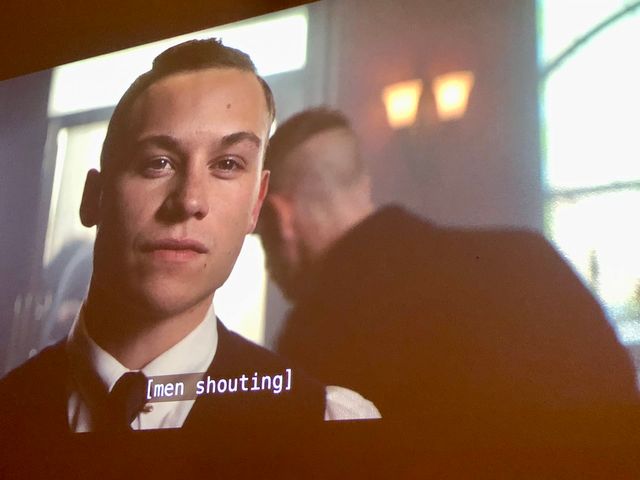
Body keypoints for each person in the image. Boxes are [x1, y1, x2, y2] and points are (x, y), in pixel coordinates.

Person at [0, 41, 379, 440]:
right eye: (157, 162)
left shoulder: (326, 422)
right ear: (94, 197)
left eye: (227, 164)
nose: (189, 201)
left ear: (256, 205)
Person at [256, 107, 639, 426]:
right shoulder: (529, 256)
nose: (270, 266)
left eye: (260, 236)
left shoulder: (315, 334)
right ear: (363, 186)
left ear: (281, 216)